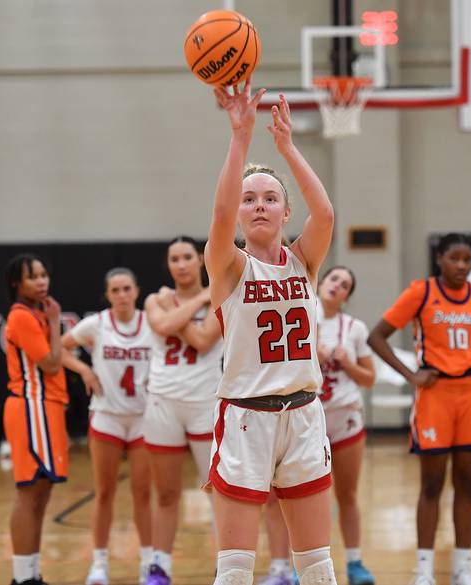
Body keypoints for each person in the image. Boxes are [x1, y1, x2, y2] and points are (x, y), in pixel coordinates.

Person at [204, 82, 335, 585]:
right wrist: (241, 137)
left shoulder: (304, 261)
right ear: (239, 212)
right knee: (235, 571)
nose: (259, 205)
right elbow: (217, 216)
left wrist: (288, 149)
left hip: (303, 414)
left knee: (318, 567)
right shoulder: (230, 268)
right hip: (245, 418)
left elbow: (324, 214)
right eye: (249, 198)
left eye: (271, 198)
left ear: (285, 211)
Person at [368, 233, 471, 585]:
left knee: (466, 484)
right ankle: (423, 570)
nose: (462, 266)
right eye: (455, 259)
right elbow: (377, 336)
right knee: (431, 485)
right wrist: (411, 375)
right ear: (440, 259)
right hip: (435, 395)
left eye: (468, 259)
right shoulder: (421, 292)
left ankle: (463, 568)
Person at [261, 266, 376, 585]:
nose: (338, 285)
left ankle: (355, 563)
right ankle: (285, 569)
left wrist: (348, 362)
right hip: (301, 419)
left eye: (345, 284)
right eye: (334, 279)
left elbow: (370, 379)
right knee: (283, 495)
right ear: (321, 282)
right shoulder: (296, 312)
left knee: (348, 494)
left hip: (344, 417)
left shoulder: (354, 328)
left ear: (347, 297)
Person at [62, 268, 153, 585]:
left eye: (127, 288)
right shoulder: (97, 324)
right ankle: (99, 563)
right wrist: (84, 370)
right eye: (115, 290)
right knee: (104, 493)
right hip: (106, 416)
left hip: (143, 418)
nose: (122, 295)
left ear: (136, 291)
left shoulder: (150, 322)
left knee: (143, 494)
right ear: (107, 295)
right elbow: (60, 348)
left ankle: (148, 562)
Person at [143, 236, 224, 585]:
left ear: (200, 261)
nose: (181, 264)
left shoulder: (218, 296)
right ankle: (159, 567)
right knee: (165, 493)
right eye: (174, 259)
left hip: (205, 402)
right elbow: (161, 327)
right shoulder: (152, 300)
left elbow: (205, 341)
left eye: (187, 257)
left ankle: (226, 566)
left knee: (217, 491)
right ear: (169, 264)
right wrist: (194, 304)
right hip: (162, 402)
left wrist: (187, 305)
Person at [3, 254, 67, 585]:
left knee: (41, 494)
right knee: (29, 493)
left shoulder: (34, 313)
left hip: (45, 407)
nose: (41, 281)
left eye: (44, 275)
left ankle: (31, 573)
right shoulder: (22, 317)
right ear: (17, 283)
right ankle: (21, 577)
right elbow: (52, 365)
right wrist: (55, 322)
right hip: (32, 407)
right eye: (33, 277)